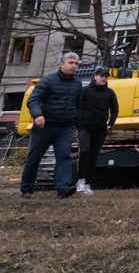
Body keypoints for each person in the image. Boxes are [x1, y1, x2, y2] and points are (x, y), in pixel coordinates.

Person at [21, 51, 84, 198]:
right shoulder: (48, 80)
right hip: (44, 126)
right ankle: (26, 189)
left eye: (76, 64)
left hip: (65, 128)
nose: (74, 66)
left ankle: (63, 188)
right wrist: (38, 115)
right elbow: (33, 100)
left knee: (64, 156)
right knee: (34, 158)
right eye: (70, 62)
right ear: (61, 64)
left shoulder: (77, 83)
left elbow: (78, 105)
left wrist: (77, 124)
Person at [76, 67, 118, 196]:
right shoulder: (85, 91)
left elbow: (115, 110)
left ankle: (88, 183)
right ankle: (80, 180)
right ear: (95, 76)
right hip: (84, 127)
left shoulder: (110, 93)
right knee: (84, 151)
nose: (104, 78)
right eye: (101, 76)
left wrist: (110, 125)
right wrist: (77, 123)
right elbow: (77, 106)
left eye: (106, 76)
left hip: (100, 129)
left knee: (93, 156)